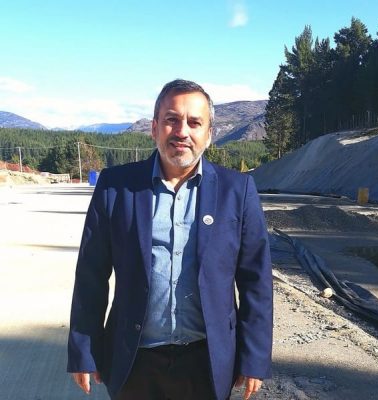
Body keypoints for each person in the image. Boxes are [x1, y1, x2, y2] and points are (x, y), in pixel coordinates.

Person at [67, 79, 273, 400]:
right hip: (134, 361)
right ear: (154, 128)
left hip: (207, 362)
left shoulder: (237, 190)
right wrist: (84, 350)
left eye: (194, 122)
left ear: (209, 133)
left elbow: (256, 281)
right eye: (171, 120)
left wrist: (254, 358)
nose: (182, 131)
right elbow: (90, 276)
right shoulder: (115, 187)